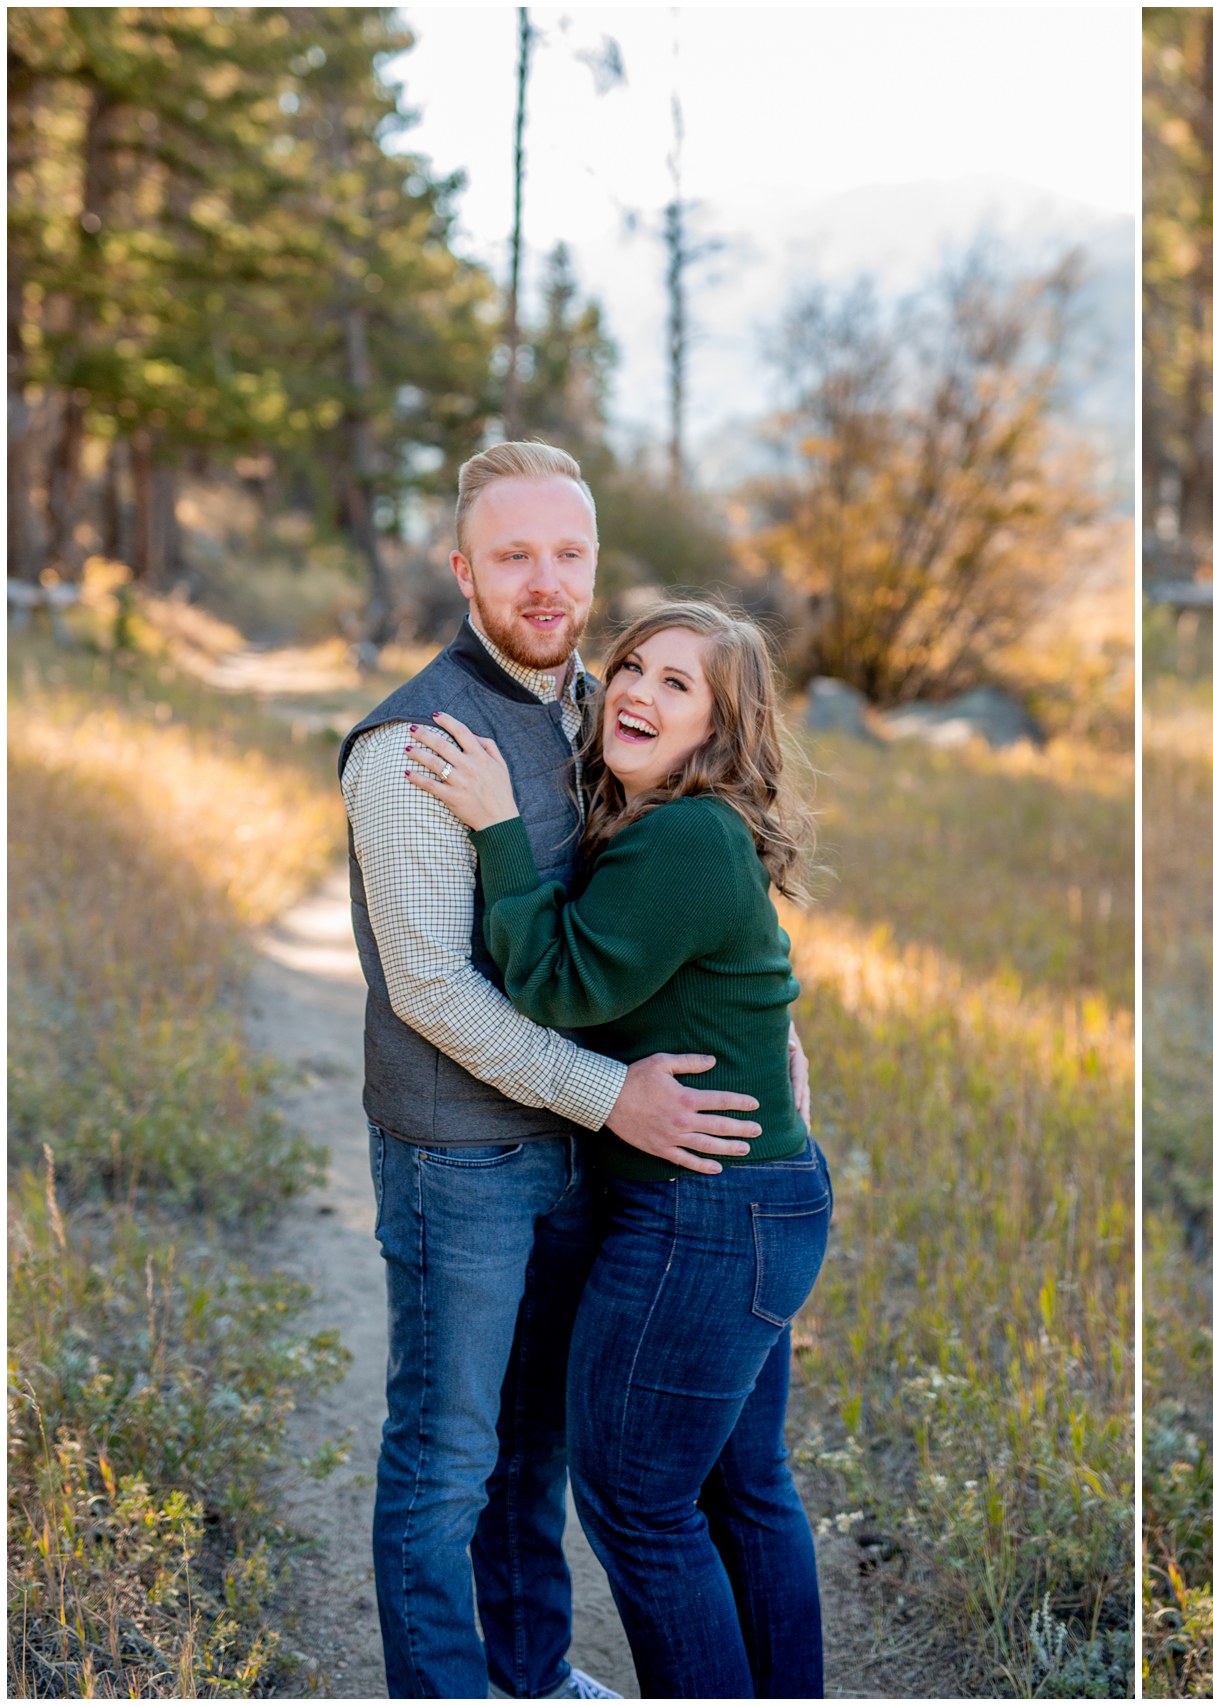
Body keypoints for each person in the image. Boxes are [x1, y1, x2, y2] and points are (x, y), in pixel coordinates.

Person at [339, 442, 782, 1700]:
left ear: (595, 560)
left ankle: (529, 1673)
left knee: (535, 1449)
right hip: (459, 1158)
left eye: (569, 552)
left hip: (584, 1157)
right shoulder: (411, 743)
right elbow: (428, 987)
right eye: (515, 553)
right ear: (464, 564)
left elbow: (694, 874)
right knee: (445, 1456)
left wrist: (766, 1022)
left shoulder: (607, 704)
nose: (546, 581)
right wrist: (611, 1094)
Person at [406, 598, 830, 1700]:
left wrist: (498, 824)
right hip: (757, 1202)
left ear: (722, 731)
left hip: (708, 1216)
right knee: (744, 1487)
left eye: (678, 684)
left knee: (641, 1506)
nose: (636, 690)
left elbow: (555, 985)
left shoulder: (686, 835)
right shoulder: (670, 826)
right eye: (634, 663)